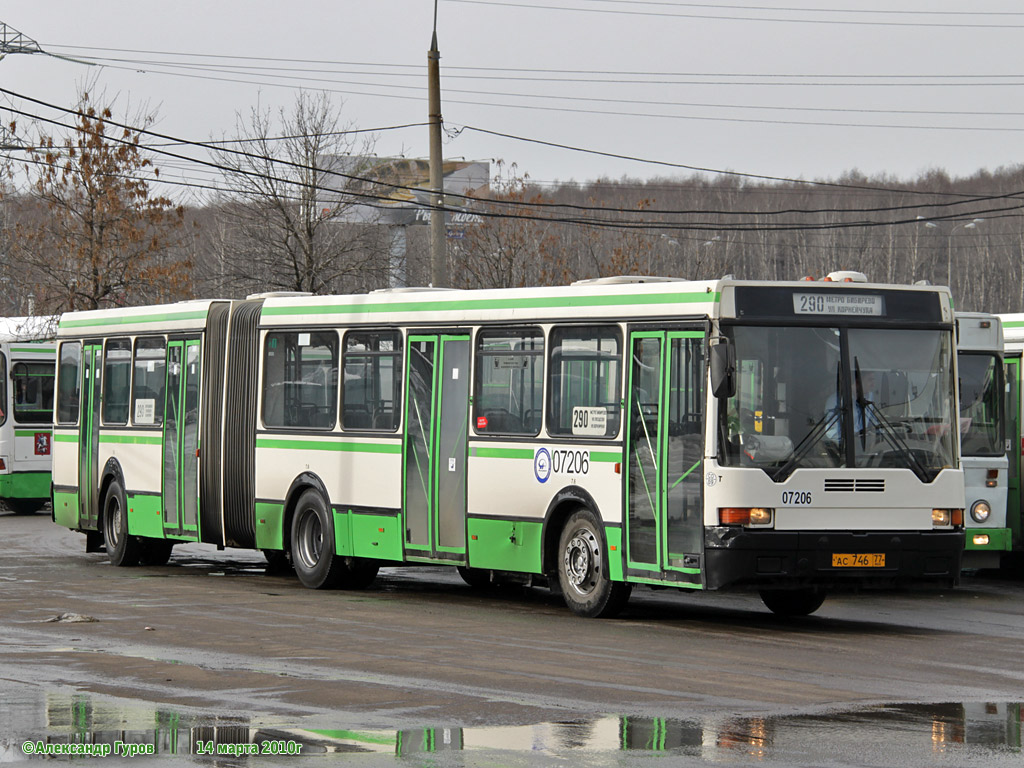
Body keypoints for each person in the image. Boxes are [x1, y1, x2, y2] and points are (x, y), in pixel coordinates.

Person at [825, 370, 877, 440]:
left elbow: (873, 422)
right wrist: (854, 438)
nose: (873, 385)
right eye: (869, 380)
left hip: (865, 445)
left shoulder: (869, 396)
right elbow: (832, 433)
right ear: (857, 382)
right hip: (847, 447)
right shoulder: (835, 401)